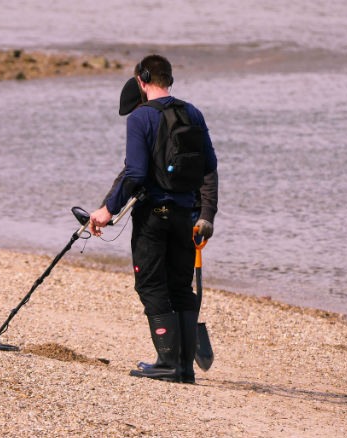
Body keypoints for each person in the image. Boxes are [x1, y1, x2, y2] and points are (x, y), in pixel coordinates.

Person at [90, 55, 218, 384]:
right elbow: (208, 165)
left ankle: (166, 361)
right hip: (185, 216)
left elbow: (134, 173)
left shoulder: (141, 118)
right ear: (169, 78)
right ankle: (184, 368)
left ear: (142, 80)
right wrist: (205, 213)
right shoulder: (193, 112)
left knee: (150, 284)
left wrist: (108, 210)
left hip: (154, 215)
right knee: (180, 287)